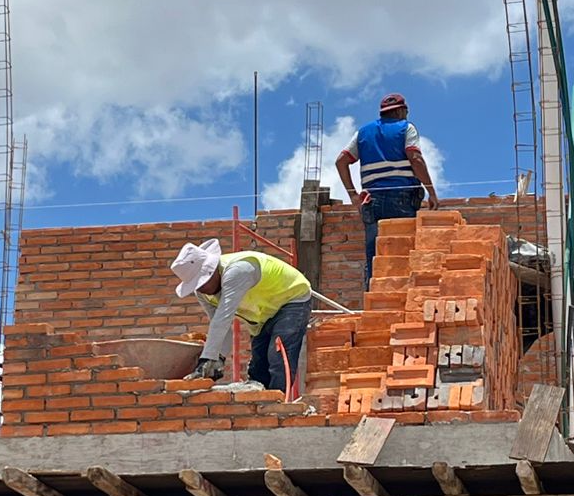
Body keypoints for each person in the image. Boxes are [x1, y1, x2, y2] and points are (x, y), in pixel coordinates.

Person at [169, 239, 313, 393]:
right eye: (196, 285)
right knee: (258, 371)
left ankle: (278, 408)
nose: (201, 288)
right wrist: (219, 359)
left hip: (291, 299)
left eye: (202, 282)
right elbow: (221, 328)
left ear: (212, 270)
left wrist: (207, 359)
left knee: (277, 358)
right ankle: (261, 410)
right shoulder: (203, 294)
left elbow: (223, 318)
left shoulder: (238, 271)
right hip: (262, 317)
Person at [335, 92, 440, 289]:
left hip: (371, 201)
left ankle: (374, 301)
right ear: (401, 111)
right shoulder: (406, 128)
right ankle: (401, 302)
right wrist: (431, 192)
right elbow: (415, 159)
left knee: (375, 257)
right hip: (402, 197)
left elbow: (341, 161)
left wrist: (352, 195)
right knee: (401, 254)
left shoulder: (363, 132)